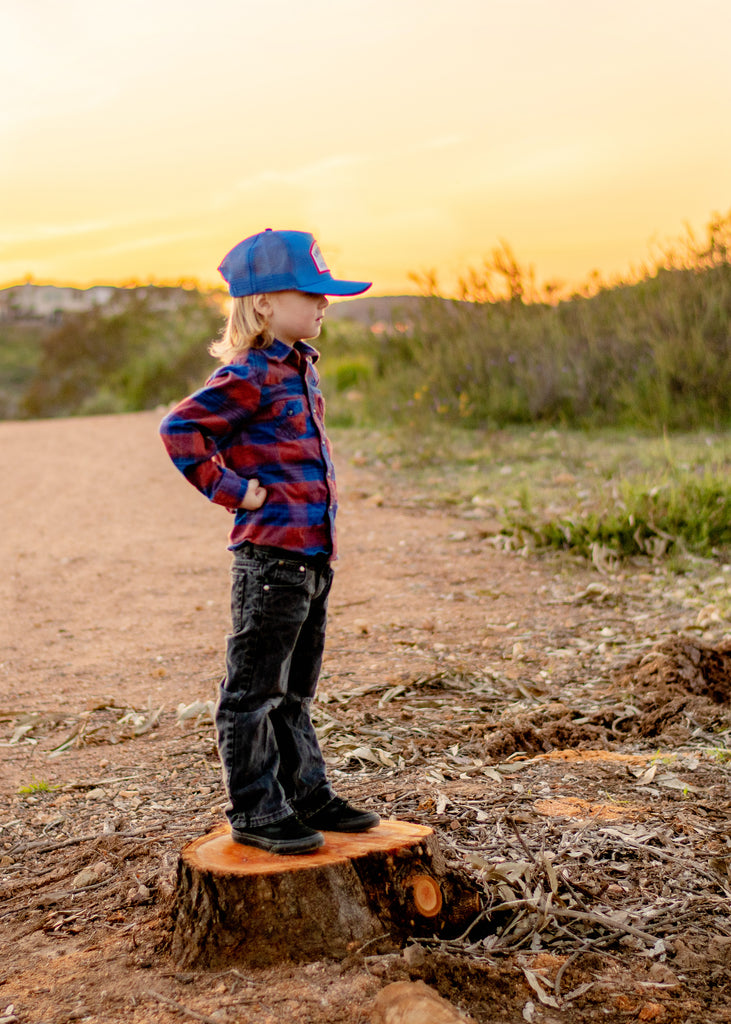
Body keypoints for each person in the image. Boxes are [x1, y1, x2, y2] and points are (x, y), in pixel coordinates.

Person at [159, 229, 380, 855]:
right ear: (262, 304)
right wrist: (232, 490)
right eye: (310, 293)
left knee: (296, 690)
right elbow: (180, 429)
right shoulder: (248, 374)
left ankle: (305, 793)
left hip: (312, 557)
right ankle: (256, 810)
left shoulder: (303, 366)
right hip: (269, 562)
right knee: (252, 693)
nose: (323, 303)